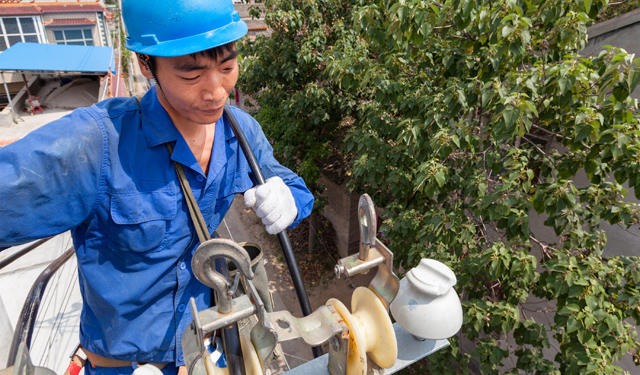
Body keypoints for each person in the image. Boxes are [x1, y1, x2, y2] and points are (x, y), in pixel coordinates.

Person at [0, 0, 314, 375]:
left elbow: (292, 185)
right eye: (191, 76)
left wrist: (290, 201)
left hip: (205, 349)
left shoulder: (240, 131)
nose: (217, 92)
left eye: (228, 67)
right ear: (145, 64)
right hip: (123, 365)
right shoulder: (97, 144)